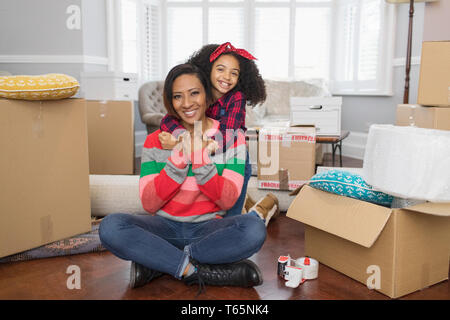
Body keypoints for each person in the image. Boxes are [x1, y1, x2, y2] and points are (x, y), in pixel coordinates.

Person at [99, 63, 271, 291]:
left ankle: (163, 262)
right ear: (170, 101)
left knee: (254, 229)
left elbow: (227, 200)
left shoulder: (232, 138)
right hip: (164, 228)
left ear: (207, 95)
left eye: (194, 93)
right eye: (178, 96)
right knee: (111, 227)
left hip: (209, 230)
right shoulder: (155, 141)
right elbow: (150, 203)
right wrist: (180, 156)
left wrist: (198, 156)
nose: (187, 103)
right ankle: (193, 271)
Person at [158, 42, 269, 219]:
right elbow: (168, 120)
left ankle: (235, 218)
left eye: (234, 73)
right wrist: (182, 138)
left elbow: (229, 134)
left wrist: (201, 146)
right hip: (199, 150)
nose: (227, 77)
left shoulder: (236, 97)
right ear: (208, 69)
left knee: (233, 200)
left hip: (229, 151)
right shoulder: (199, 91)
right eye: (220, 69)